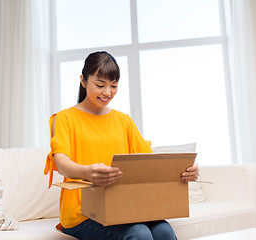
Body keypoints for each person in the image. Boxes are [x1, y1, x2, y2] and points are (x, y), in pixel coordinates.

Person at [44, 51, 199, 240]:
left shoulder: (123, 121)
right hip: (82, 212)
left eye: (114, 86)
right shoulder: (64, 118)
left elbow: (150, 162)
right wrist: (87, 172)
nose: (107, 93)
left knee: (164, 232)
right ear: (83, 81)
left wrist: (185, 169)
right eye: (100, 85)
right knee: (139, 234)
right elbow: (61, 163)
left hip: (124, 206)